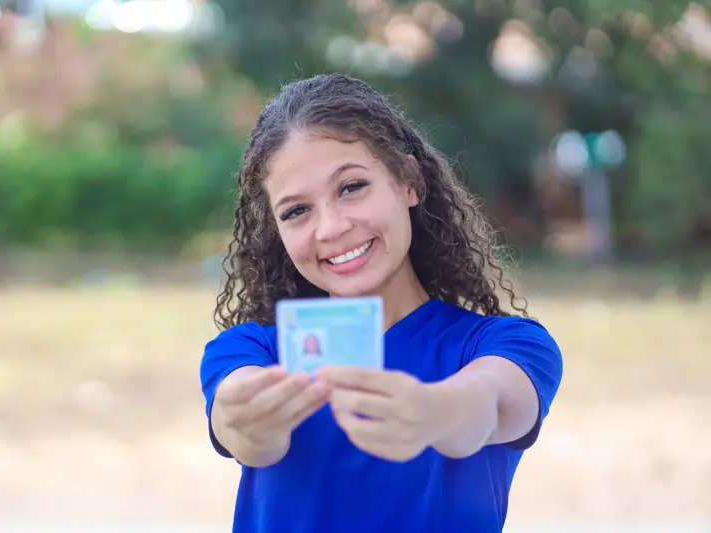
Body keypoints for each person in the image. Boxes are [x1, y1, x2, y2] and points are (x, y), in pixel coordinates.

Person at [199, 73, 563, 533]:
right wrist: (249, 417)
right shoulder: (248, 351)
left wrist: (431, 412)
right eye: (296, 211)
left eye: (351, 187)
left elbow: (489, 404)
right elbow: (245, 428)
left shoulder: (508, 346)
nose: (330, 228)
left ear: (408, 181)